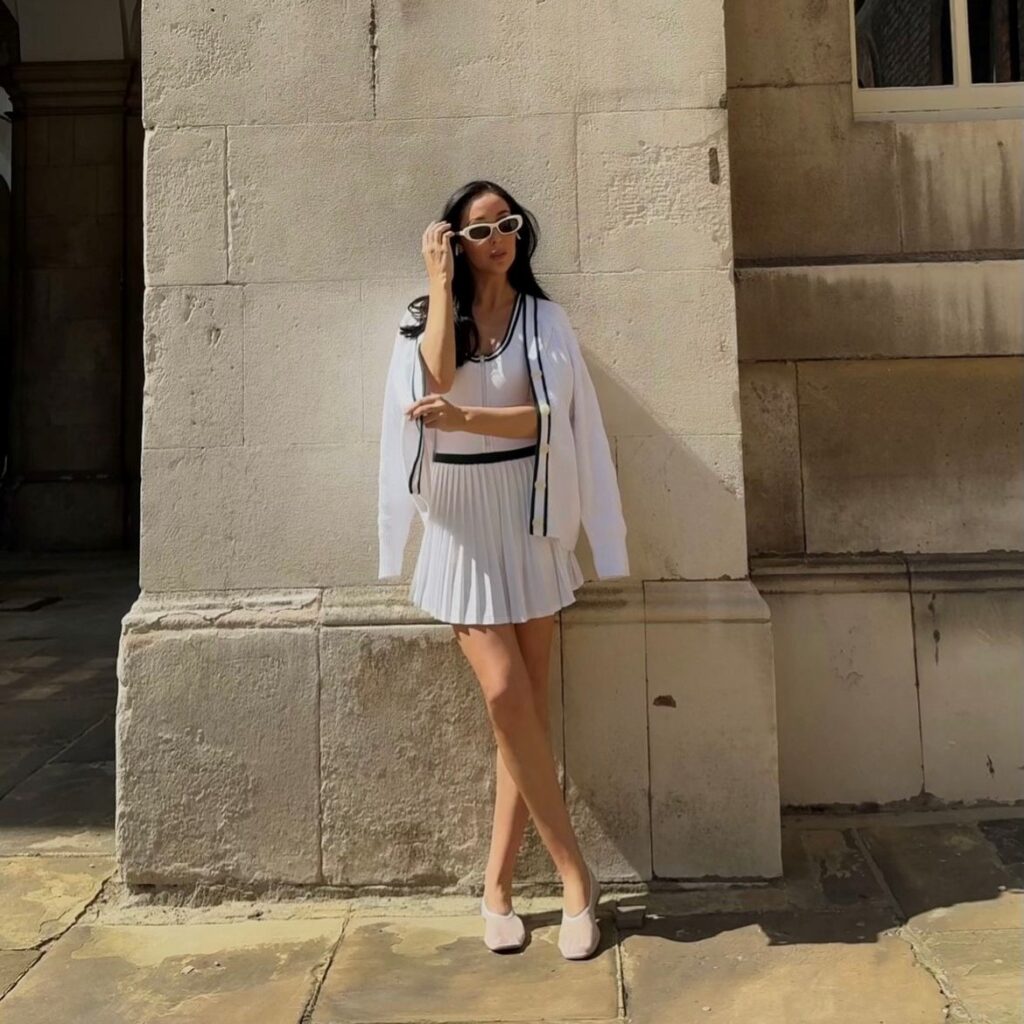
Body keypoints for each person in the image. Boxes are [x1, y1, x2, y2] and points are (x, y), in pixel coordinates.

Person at [376, 180, 629, 960]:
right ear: (454, 239)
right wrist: (439, 282)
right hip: (461, 522)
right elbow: (437, 381)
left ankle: (495, 887)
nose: (500, 238)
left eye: (509, 225)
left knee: (521, 719)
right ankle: (576, 875)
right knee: (503, 693)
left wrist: (468, 421)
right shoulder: (424, 321)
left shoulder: (546, 321)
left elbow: (555, 417)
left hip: (529, 520)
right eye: (481, 229)